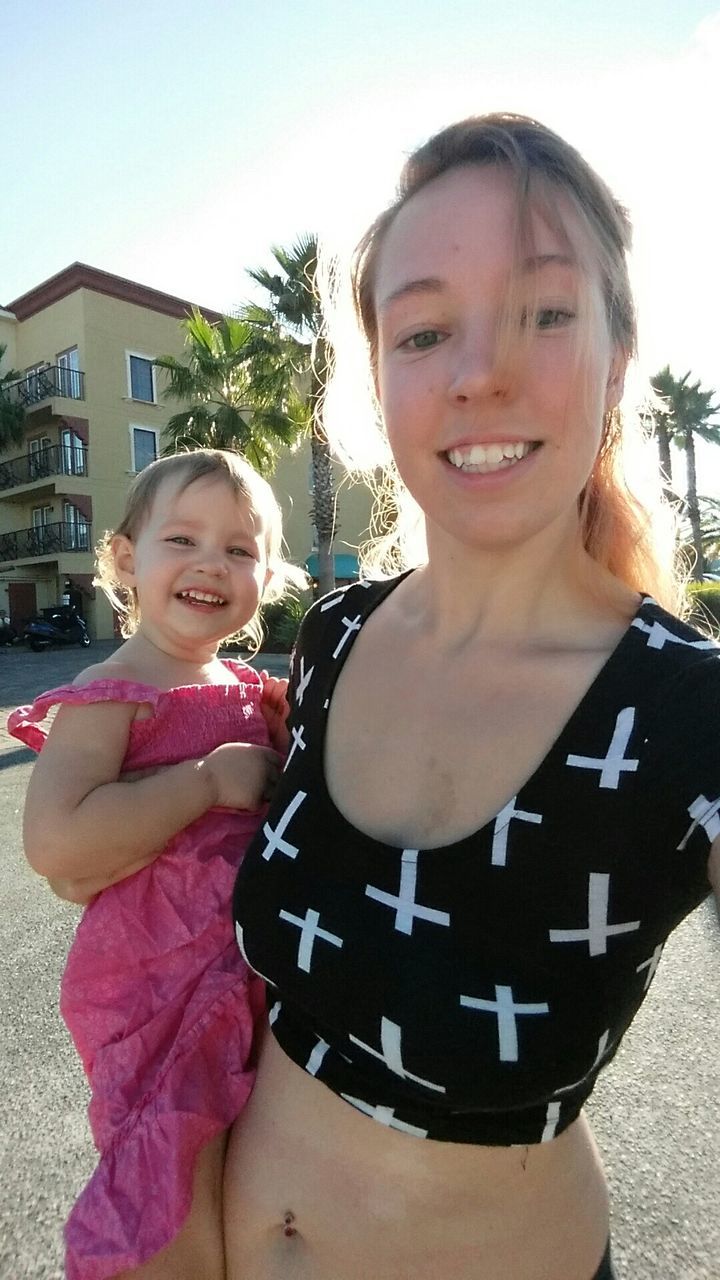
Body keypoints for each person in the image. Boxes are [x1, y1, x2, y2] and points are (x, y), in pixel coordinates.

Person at [226, 115, 720, 1280]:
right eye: (425, 330)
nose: (479, 370)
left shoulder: (688, 715)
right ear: (382, 378)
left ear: (616, 357)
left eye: (546, 311)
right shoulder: (333, 639)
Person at [8, 449, 299, 1280]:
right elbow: (57, 845)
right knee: (170, 1187)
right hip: (154, 990)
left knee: (257, 1185)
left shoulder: (253, 691)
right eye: (184, 538)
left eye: (240, 550)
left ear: (267, 576)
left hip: (251, 980)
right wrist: (206, 781)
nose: (212, 562)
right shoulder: (113, 692)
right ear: (127, 560)